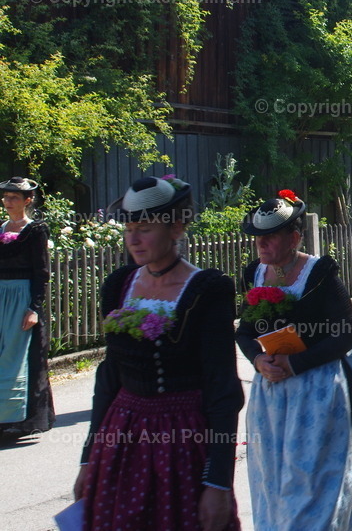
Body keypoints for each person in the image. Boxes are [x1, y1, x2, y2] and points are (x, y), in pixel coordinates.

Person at [75, 176, 244, 531]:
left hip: (182, 442)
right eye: (129, 229)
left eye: (145, 228)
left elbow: (223, 389)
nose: (133, 239)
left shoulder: (207, 290)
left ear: (176, 228)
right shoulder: (119, 285)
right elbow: (109, 376)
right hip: (121, 439)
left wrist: (218, 482)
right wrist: (88, 459)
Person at [236, 192, 352, 530]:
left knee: (313, 483)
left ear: (294, 238)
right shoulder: (255, 274)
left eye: (270, 236)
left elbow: (347, 333)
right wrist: (258, 360)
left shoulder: (319, 274)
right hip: (270, 394)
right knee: (272, 478)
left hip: (317, 391)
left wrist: (296, 364)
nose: (261, 244)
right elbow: (244, 332)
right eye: (258, 237)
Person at [0, 177, 55, 441]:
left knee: (18, 356)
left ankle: (19, 420)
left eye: (14, 198)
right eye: (5, 197)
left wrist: (34, 308)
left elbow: (41, 272)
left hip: (21, 299)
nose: (7, 201)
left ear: (27, 201)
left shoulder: (35, 230)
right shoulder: (0, 229)